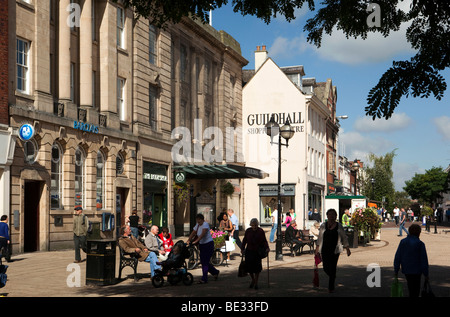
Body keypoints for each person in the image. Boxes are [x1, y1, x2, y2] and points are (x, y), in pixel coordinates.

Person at [315, 209, 351, 293]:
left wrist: (347, 248)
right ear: (327, 216)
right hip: (325, 249)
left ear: (336, 216)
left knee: (333, 267)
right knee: (325, 267)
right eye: (330, 214)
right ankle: (332, 276)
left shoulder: (339, 226)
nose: (331, 216)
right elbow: (320, 238)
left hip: (335, 250)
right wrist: (317, 249)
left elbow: (344, 237)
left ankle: (331, 287)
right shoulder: (324, 225)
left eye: (333, 215)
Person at [394, 224, 429, 297]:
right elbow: (423, 259)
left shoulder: (403, 242)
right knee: (416, 289)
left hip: (407, 268)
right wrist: (426, 273)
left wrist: (396, 269)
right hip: (417, 270)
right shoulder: (420, 244)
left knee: (410, 286)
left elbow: (398, 256)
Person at [187, 214, 219, 284]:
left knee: (205, 262)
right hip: (202, 245)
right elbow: (193, 232)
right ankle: (215, 272)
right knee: (203, 261)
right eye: (197, 220)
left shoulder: (205, 225)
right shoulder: (198, 225)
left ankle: (204, 278)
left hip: (208, 244)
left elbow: (202, 234)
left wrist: (196, 241)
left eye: (199, 220)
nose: (198, 222)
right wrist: (189, 239)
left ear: (202, 219)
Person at [241, 218, 270, 290]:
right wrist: (242, 248)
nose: (254, 227)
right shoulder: (248, 231)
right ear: (251, 225)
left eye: (256, 225)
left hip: (257, 252)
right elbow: (244, 240)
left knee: (257, 268)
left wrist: (267, 247)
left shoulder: (260, 231)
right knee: (249, 268)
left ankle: (256, 282)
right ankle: (253, 280)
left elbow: (264, 241)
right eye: (253, 225)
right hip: (249, 251)